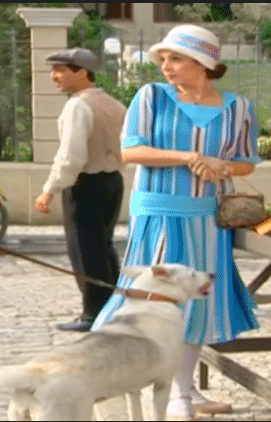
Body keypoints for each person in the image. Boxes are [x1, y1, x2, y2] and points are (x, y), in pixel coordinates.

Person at [89, 25, 261, 420]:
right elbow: (131, 152)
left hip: (207, 217)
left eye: (176, 58)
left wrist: (220, 164)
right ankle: (107, 378)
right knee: (143, 296)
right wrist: (187, 158)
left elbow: (246, 161)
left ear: (203, 63)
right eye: (163, 59)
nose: (166, 66)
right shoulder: (151, 97)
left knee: (197, 303)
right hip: (158, 211)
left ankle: (181, 393)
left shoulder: (238, 108)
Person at [34, 48, 127, 332]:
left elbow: (71, 156)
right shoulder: (113, 103)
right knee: (104, 247)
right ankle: (114, 305)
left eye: (61, 69)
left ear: (82, 72)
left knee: (85, 249)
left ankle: (93, 312)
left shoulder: (78, 106)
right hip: (112, 181)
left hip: (85, 185)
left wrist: (49, 190)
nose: (54, 76)